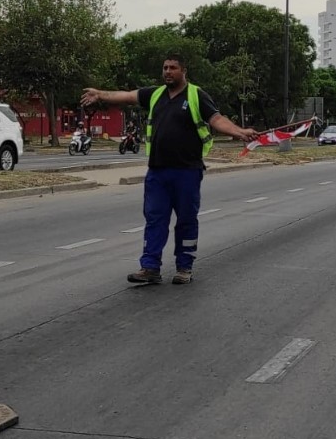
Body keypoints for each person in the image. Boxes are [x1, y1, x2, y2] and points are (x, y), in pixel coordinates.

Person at [81, 54, 256, 285]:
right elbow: (125, 95)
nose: (167, 72)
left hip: (187, 171)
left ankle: (184, 267)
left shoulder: (196, 95)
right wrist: (100, 94)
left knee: (186, 220)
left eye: (173, 68)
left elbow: (216, 119)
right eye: (165, 67)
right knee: (155, 219)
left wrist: (240, 132)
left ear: (184, 71)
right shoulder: (154, 94)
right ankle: (150, 267)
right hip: (157, 172)